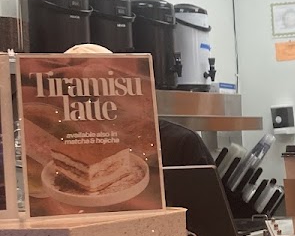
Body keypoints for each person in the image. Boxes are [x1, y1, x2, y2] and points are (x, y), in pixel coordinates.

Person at [65, 44, 216, 175]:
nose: (92, 103)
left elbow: (209, 199)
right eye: (78, 95)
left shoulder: (180, 143)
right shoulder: (64, 149)